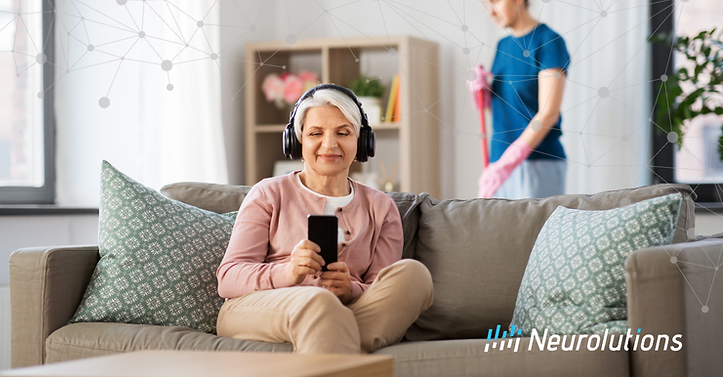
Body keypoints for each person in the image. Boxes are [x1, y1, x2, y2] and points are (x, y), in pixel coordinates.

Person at [215, 84, 434, 354]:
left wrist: (350, 290)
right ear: (298, 141)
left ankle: (334, 339)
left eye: (343, 133)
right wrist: (289, 271)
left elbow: (379, 289)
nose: (329, 144)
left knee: (414, 276)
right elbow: (229, 277)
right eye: (316, 133)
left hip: (344, 309)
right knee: (319, 303)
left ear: (361, 142)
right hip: (263, 306)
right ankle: (342, 341)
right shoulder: (268, 194)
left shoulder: (381, 207)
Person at [478, 0, 570, 199]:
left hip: (538, 162)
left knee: (535, 231)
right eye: (486, 4)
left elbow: (548, 114)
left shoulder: (549, 42)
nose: (490, 12)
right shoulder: (502, 46)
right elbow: (504, 111)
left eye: (495, 2)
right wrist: (482, 95)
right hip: (498, 162)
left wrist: (510, 161)